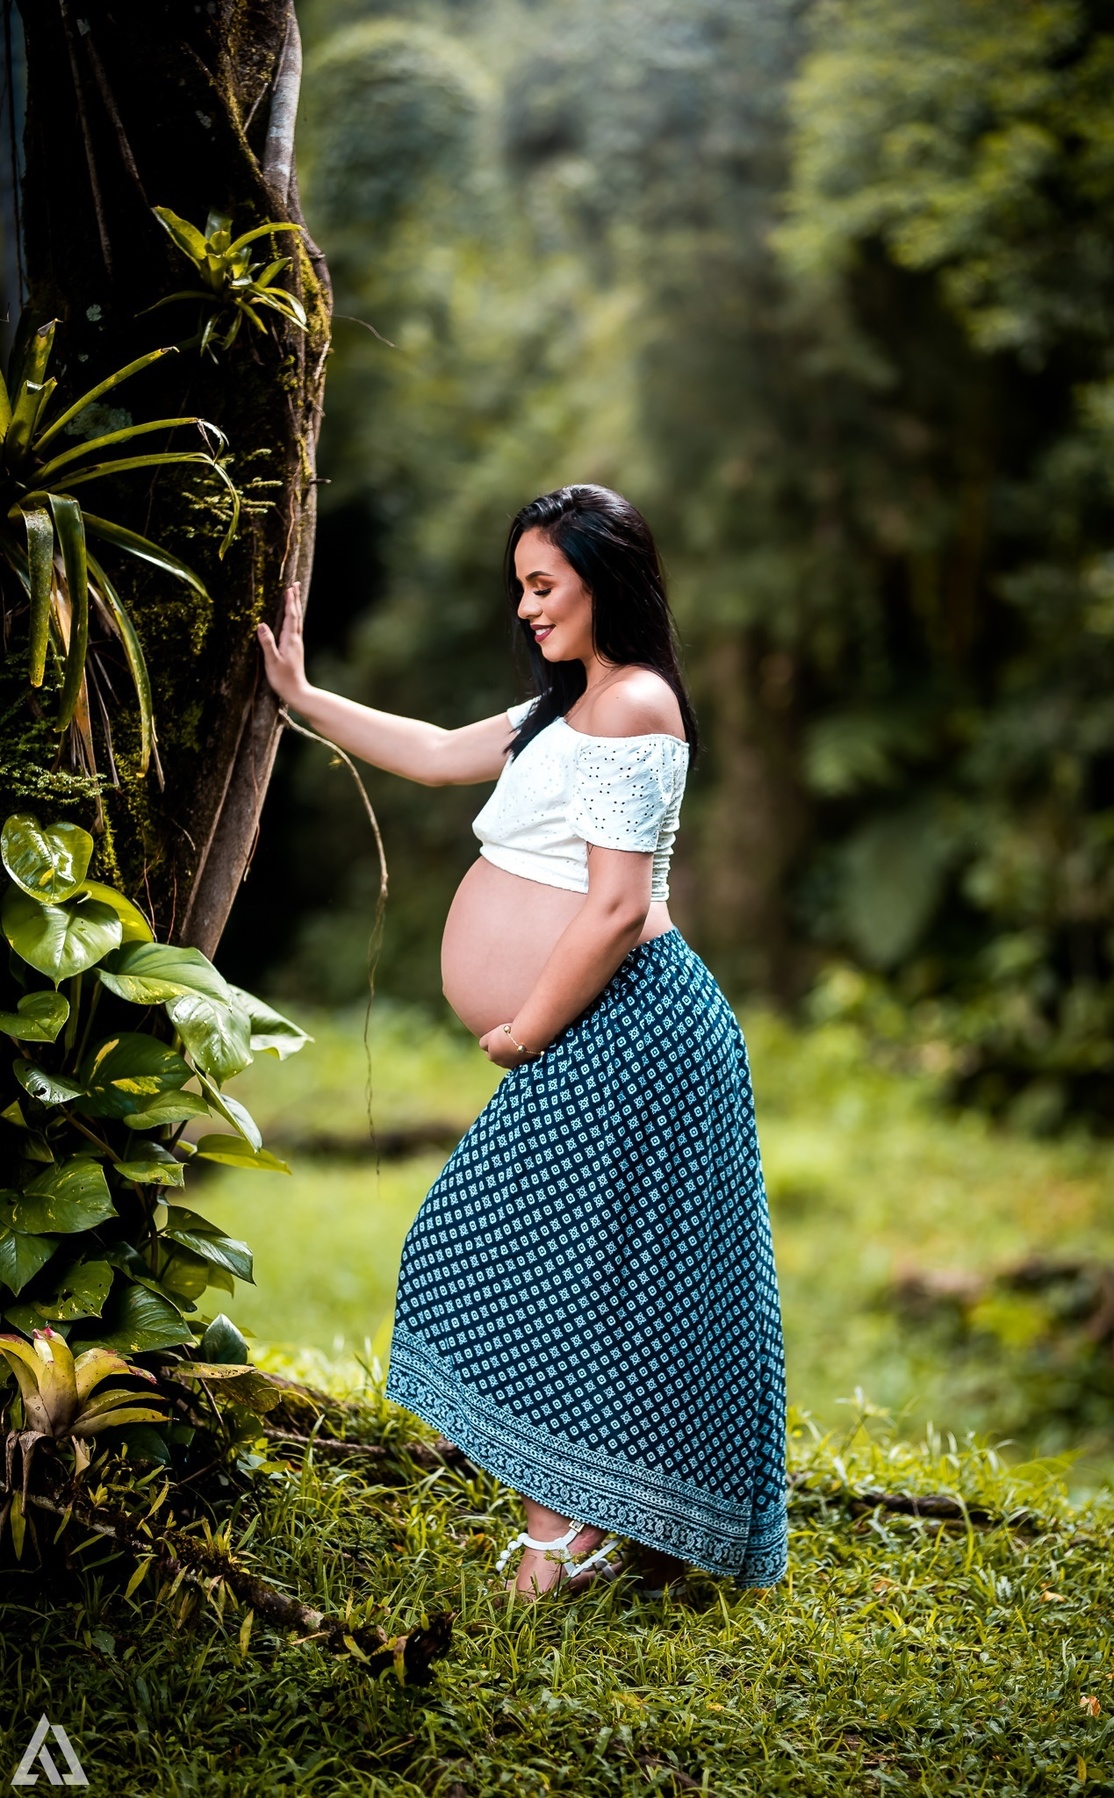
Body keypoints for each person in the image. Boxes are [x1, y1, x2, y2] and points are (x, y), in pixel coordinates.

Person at [258, 483, 787, 1599]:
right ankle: (608, 1524)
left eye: (544, 586)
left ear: (608, 579)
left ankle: (562, 1543)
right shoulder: (567, 707)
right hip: (594, 1032)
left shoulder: (636, 701)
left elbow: (614, 906)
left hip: (627, 1028)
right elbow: (440, 750)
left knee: (532, 1260)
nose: (528, 610)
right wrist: (303, 696)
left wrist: (526, 1028)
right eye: (521, 590)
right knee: (577, 1271)